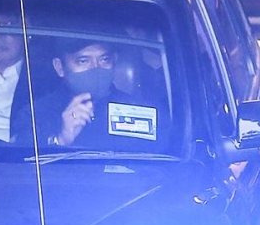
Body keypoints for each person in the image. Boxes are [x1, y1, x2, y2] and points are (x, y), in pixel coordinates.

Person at [14, 39, 162, 150]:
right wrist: (61, 140)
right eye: (83, 61)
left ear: (115, 61)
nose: (96, 68)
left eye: (104, 59)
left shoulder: (142, 110)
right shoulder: (36, 114)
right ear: (60, 67)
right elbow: (24, 168)